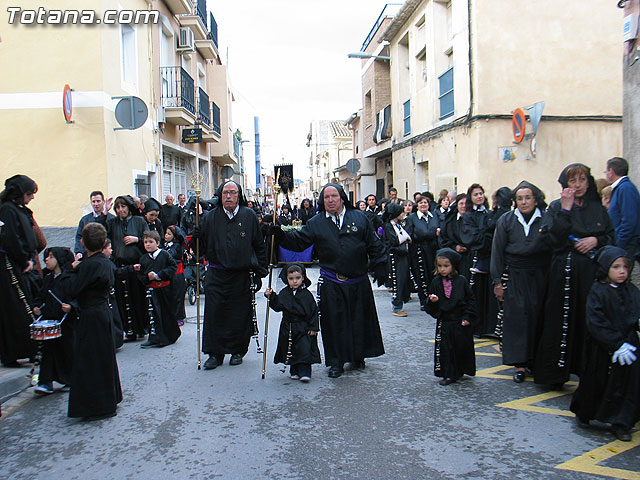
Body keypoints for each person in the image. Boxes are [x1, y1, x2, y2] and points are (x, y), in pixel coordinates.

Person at [273, 183, 387, 378]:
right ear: (322, 201)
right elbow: (300, 241)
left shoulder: (359, 218)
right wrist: (280, 235)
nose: (331, 200)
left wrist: (381, 265)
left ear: (342, 198)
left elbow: (374, 244)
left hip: (358, 280)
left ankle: (358, 356)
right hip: (332, 281)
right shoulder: (316, 222)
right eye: (327, 197)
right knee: (334, 323)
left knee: (359, 320)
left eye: (334, 196)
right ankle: (336, 362)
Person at [534, 163, 615, 388]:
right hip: (565, 274)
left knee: (588, 320)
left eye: (582, 180)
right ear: (565, 184)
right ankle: (554, 374)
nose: (577, 185)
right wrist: (566, 210)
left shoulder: (597, 208)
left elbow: (610, 236)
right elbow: (552, 239)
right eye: (573, 181)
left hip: (591, 273)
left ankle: (588, 372)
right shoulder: (557, 207)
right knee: (560, 320)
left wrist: (595, 240)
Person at [570, 246, 640, 442]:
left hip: (629, 346)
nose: (622, 272)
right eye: (616, 267)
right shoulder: (598, 291)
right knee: (596, 382)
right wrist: (614, 343)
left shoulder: (632, 291)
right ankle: (585, 413)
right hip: (602, 348)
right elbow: (596, 321)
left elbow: (635, 314)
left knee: (629, 385)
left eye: (625, 267)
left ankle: (621, 423)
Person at [199, 181, 268, 370]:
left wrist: (261, 271)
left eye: (232, 193)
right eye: (225, 193)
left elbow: (258, 244)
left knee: (239, 314)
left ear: (239, 196)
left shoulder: (249, 215)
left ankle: (238, 351)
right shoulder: (210, 217)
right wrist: (196, 236)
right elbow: (201, 246)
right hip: (216, 273)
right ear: (220, 196)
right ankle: (215, 353)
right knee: (214, 314)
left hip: (241, 274)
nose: (228, 196)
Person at [491, 182, 550, 383]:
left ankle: (536, 360)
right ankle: (519, 364)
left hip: (540, 274)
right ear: (514, 201)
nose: (524, 202)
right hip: (515, 274)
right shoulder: (506, 220)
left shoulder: (546, 219)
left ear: (536, 199)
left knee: (538, 316)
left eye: (528, 197)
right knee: (517, 318)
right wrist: (497, 281)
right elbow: (497, 252)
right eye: (520, 198)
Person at [62, 222, 122, 420]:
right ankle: (109, 399)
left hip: (91, 314)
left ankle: (98, 406)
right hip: (101, 312)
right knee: (103, 357)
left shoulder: (89, 265)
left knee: (91, 360)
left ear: (83, 243)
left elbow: (72, 289)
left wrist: (69, 270)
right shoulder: (104, 262)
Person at [0, 174, 39, 367]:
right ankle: (18, 351)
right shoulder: (7, 210)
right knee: (18, 308)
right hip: (11, 266)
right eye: (30, 193)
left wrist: (30, 258)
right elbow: (11, 239)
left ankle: (29, 349)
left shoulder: (17, 209)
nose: (32, 197)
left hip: (21, 264)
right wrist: (24, 260)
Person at [425, 248, 477, 386]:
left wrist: (467, 316)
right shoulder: (436, 282)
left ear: (453, 266)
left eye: (446, 266)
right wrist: (432, 301)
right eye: (439, 266)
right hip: (445, 321)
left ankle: (460, 369)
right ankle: (448, 373)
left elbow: (470, 300)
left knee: (460, 346)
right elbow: (429, 302)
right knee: (446, 349)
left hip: (460, 320)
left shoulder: (461, 281)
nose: (442, 269)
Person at [264, 263, 321, 382]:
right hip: (288, 326)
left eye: (298, 278)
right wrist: (271, 296)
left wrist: (313, 327)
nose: (295, 281)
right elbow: (278, 306)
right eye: (291, 279)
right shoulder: (285, 293)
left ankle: (305, 372)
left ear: (303, 278)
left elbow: (313, 312)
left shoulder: (307, 295)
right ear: (287, 279)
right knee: (290, 348)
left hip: (303, 327)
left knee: (304, 349)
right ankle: (294, 370)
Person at [32, 247, 76, 394]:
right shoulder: (48, 279)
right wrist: (37, 307)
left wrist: (71, 306)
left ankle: (69, 379)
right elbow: (41, 297)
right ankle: (45, 382)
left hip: (66, 323)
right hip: (50, 322)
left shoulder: (70, 278)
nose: (46, 260)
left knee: (67, 352)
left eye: (50, 257)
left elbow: (78, 298)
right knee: (48, 352)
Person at [106, 195, 148, 341]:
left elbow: (151, 239)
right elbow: (106, 237)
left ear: (129, 207)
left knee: (137, 298)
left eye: (123, 207)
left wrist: (138, 240)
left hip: (136, 265)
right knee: (123, 300)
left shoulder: (139, 221)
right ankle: (128, 330)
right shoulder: (113, 223)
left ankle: (141, 329)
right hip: (121, 266)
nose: (120, 210)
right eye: (117, 207)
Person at [463, 184, 499, 337]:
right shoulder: (469, 215)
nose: (479, 196)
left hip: (491, 257)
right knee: (477, 292)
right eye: (476, 194)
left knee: (491, 293)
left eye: (481, 194)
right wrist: (485, 236)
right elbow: (472, 237)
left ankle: (491, 326)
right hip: (477, 258)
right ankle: (477, 326)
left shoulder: (490, 213)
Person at [137, 231, 180, 348]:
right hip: (151, 290)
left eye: (151, 242)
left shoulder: (164, 255)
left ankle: (168, 336)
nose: (148, 245)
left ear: (157, 243)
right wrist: (147, 278)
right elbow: (140, 276)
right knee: (153, 315)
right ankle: (154, 337)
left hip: (164, 289)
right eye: (145, 242)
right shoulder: (143, 259)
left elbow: (173, 267)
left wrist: (159, 275)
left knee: (166, 313)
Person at [405, 195, 440, 309]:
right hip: (419, 250)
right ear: (417, 205)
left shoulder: (434, 216)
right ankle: (424, 300)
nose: (423, 205)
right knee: (421, 275)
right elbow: (408, 234)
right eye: (421, 203)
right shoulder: (412, 218)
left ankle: (434, 298)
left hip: (433, 249)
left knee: (433, 274)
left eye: (425, 202)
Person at [605, 156, 640, 260]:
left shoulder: (625, 188)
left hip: (628, 246)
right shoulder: (622, 188)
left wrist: (619, 244)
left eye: (606, 171)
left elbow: (629, 220)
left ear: (611, 171)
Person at [383, 203, 411, 317]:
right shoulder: (388, 226)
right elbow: (394, 241)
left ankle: (399, 303)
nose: (403, 214)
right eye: (401, 213)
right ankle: (396, 306)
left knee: (403, 279)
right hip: (395, 256)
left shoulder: (397, 224)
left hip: (402, 255)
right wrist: (405, 243)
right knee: (397, 281)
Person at [439, 193, 472, 279]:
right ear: (456, 205)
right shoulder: (450, 220)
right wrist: (454, 247)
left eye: (466, 203)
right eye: (461, 203)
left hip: (470, 258)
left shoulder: (474, 219)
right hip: (453, 259)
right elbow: (443, 239)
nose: (464, 206)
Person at [74, 191, 114, 257]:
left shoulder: (111, 219)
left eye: (98, 201)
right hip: (88, 255)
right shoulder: (85, 219)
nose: (96, 204)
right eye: (93, 201)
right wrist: (79, 252)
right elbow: (79, 237)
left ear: (103, 202)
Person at [164, 225, 187, 327]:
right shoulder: (166, 245)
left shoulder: (176, 245)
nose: (166, 236)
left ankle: (179, 317)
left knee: (178, 295)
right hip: (170, 273)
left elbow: (171, 255)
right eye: (166, 233)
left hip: (177, 272)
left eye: (169, 234)